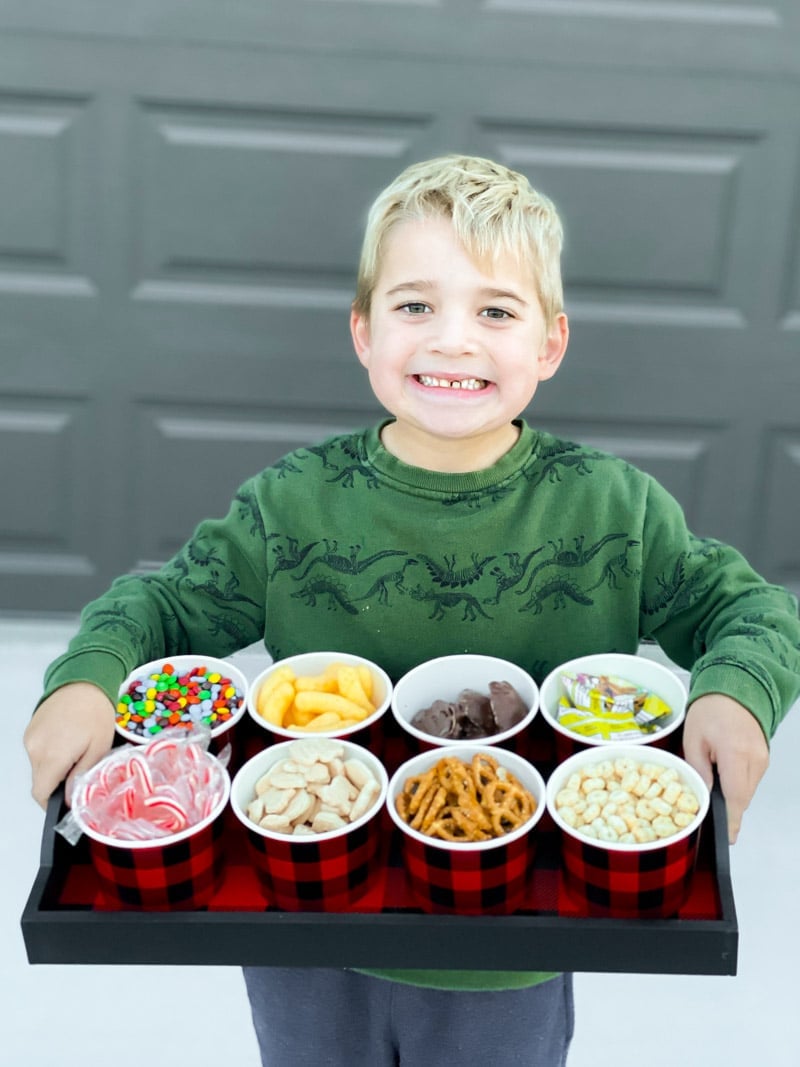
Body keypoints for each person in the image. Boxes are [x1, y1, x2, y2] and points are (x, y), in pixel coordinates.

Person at [24, 154, 800, 1066]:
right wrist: (86, 679)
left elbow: (750, 609)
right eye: (415, 305)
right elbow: (156, 603)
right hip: (307, 923)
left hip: (513, 936)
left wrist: (735, 692)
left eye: (496, 311)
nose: (454, 340)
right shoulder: (291, 505)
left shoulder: (612, 509)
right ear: (363, 331)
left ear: (550, 343)